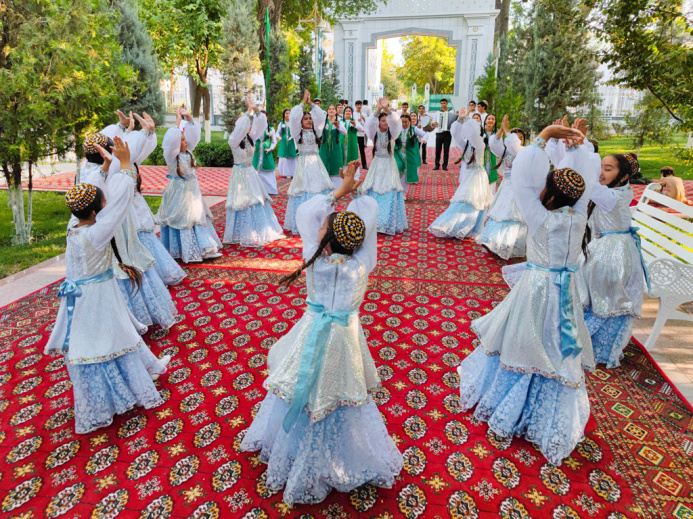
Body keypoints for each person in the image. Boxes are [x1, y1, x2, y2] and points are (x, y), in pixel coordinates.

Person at [241, 161, 403, 506]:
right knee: (342, 396)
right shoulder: (361, 266)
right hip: (345, 341)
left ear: (324, 237)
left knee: (306, 388)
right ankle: (343, 452)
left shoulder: (313, 260)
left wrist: (338, 193)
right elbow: (367, 222)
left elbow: (305, 213)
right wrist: (356, 196)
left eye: (323, 228)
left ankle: (299, 450)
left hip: (312, 332)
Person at [459, 124, 597, 466]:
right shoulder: (580, 217)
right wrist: (577, 150)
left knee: (525, 341)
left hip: (537, 290)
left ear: (547, 190)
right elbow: (581, 181)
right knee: (558, 348)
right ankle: (547, 413)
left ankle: (513, 405)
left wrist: (544, 136)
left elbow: (522, 180)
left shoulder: (538, 217)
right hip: (567, 293)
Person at [44, 141, 169, 434]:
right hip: (96, 298)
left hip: (83, 293)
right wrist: (125, 168)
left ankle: (143, 371)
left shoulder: (74, 225)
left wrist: (103, 169)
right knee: (109, 340)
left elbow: (90, 194)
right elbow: (120, 204)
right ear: (96, 209)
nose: (106, 202)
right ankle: (117, 396)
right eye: (102, 200)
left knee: (116, 335)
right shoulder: (98, 233)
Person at [85, 113, 178, 330]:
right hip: (115, 228)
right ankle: (133, 320)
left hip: (108, 228)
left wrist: (134, 133)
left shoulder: (91, 172)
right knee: (124, 264)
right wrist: (139, 140)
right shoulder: (107, 174)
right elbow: (126, 181)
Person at [579, 148, 648, 368]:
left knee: (605, 296)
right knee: (600, 293)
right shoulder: (616, 190)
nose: (601, 172)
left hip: (613, 253)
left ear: (624, 175)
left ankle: (592, 345)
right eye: (600, 167)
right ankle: (594, 343)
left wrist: (583, 150)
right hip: (610, 246)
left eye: (607, 169)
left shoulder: (610, 196)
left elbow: (586, 184)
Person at [158, 107, 223, 263]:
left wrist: (189, 118)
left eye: (185, 139)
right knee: (184, 219)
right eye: (181, 140)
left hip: (193, 191)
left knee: (197, 217)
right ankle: (184, 250)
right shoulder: (172, 157)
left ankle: (204, 247)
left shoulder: (189, 152)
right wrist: (177, 123)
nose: (185, 142)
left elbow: (193, 135)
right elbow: (170, 141)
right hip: (179, 192)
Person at [224, 97, 285, 247]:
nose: (246, 124)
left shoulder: (250, 138)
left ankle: (259, 229)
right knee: (243, 202)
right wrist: (248, 112)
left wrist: (256, 109)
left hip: (250, 173)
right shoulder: (233, 141)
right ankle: (242, 233)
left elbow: (261, 124)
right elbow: (242, 126)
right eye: (242, 123)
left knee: (257, 200)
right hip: (240, 174)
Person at [428, 107, 489, 240]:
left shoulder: (480, 144)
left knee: (471, 202)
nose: (472, 127)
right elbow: (455, 134)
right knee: (462, 200)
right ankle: (453, 225)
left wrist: (466, 119)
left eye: (476, 125)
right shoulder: (467, 144)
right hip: (469, 175)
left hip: (477, 177)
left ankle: (465, 228)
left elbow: (473, 135)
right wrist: (460, 121)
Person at [476, 115, 528, 260]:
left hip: (518, 188)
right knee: (500, 212)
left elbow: (516, 148)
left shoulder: (524, 151)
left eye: (520, 138)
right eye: (514, 137)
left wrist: (509, 134)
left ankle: (510, 245)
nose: (517, 141)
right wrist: (501, 130)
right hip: (505, 186)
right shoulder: (505, 151)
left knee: (513, 215)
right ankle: (494, 242)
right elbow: (493, 143)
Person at [284, 90, 334, 234]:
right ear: (300, 122)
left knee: (319, 189)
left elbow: (320, 116)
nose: (309, 120)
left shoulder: (317, 132)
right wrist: (302, 102)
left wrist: (311, 103)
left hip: (317, 164)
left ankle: (319, 222)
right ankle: (303, 222)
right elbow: (293, 117)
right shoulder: (297, 133)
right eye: (305, 119)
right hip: (304, 165)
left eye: (310, 119)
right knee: (304, 189)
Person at [361, 97, 408, 235]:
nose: (385, 122)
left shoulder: (393, 134)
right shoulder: (373, 133)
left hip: (389, 164)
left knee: (389, 189)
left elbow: (396, 122)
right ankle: (373, 220)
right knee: (374, 188)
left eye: (386, 120)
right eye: (382, 120)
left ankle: (387, 221)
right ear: (378, 122)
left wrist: (387, 109)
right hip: (377, 165)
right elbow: (368, 125)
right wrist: (378, 110)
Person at [319, 104, 347, 189]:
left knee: (336, 166)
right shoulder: (323, 121)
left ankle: (337, 188)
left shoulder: (340, 121)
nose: (331, 110)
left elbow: (345, 132)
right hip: (324, 148)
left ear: (336, 111)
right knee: (323, 164)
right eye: (329, 109)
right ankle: (324, 186)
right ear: (327, 111)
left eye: (333, 109)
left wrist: (337, 126)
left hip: (335, 148)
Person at [252, 110, 279, 196]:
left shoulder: (270, 129)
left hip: (266, 153)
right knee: (256, 170)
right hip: (257, 153)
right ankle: (258, 190)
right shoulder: (255, 129)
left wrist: (271, 148)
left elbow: (274, 142)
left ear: (266, 118)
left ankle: (270, 189)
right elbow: (251, 139)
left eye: (264, 116)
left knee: (267, 172)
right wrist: (253, 146)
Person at [399, 113, 425, 198]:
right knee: (399, 173)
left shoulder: (414, 129)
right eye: (402, 122)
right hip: (399, 155)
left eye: (406, 122)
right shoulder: (398, 130)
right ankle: (398, 192)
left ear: (409, 121)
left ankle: (403, 193)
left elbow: (425, 134)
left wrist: (423, 139)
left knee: (407, 174)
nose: (404, 124)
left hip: (409, 155)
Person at [432, 98, 458, 171]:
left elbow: (455, 122)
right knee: (438, 149)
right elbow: (433, 122)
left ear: (447, 103)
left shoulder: (452, 112)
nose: (443, 105)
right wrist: (434, 124)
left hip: (448, 133)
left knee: (446, 150)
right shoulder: (437, 112)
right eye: (441, 103)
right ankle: (437, 164)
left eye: (444, 103)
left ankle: (445, 165)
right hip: (439, 133)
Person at [276, 108, 297, 178]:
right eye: (286, 113)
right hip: (284, 141)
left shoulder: (293, 123)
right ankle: (285, 173)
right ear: (284, 115)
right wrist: (279, 137)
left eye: (289, 113)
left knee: (291, 157)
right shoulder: (281, 123)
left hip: (291, 141)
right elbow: (277, 132)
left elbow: (296, 131)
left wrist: (293, 137)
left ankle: (292, 173)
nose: (288, 115)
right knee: (284, 157)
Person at [355, 101, 369, 169]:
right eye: (357, 105)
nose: (359, 106)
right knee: (354, 149)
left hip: (361, 134)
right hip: (354, 133)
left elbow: (367, 123)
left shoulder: (364, 114)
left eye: (360, 105)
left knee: (362, 150)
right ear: (355, 106)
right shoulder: (353, 113)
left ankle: (364, 165)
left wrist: (363, 119)